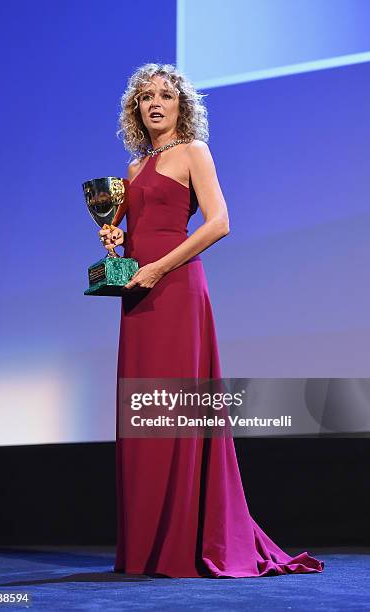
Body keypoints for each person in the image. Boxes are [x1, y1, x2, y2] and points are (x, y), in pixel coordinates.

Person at [99, 63, 324, 578]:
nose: (155, 103)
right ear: (135, 109)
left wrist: (157, 266)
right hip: (138, 295)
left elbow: (219, 221)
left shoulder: (193, 152)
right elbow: (137, 232)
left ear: (182, 105)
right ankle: (146, 549)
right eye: (145, 97)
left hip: (176, 288)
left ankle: (182, 543)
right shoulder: (133, 170)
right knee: (143, 415)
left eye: (165, 96)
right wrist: (116, 246)